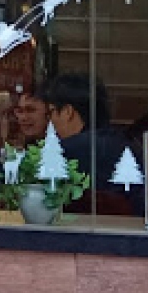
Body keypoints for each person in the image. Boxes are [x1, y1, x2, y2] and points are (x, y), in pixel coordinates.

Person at [39, 74, 139, 213]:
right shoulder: (128, 145)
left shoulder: (67, 151)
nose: (50, 121)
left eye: (51, 112)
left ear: (68, 111)